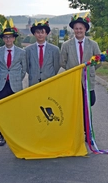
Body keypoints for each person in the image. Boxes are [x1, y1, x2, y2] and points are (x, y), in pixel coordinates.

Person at [60, 13, 101, 141]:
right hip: (73, 81)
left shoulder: (93, 44)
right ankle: (74, 132)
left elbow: (99, 61)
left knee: (88, 105)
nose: (78, 31)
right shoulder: (66, 45)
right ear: (73, 29)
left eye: (81, 28)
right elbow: (62, 62)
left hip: (88, 81)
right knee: (73, 107)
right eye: (76, 28)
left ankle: (87, 133)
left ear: (85, 29)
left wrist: (90, 70)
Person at [0, 18, 27, 146]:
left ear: (14, 38)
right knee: (2, 112)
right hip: (2, 85)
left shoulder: (21, 52)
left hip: (15, 85)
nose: (8, 39)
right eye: (5, 37)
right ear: (3, 39)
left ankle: (15, 134)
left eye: (10, 37)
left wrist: (17, 78)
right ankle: (2, 134)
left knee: (15, 111)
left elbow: (24, 68)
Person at [25, 19, 60, 86]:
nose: (40, 34)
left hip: (49, 81)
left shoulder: (54, 49)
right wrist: (34, 73)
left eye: (42, 32)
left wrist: (49, 73)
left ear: (46, 33)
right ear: (34, 34)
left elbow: (56, 66)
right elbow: (27, 67)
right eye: (38, 32)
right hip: (34, 82)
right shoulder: (28, 50)